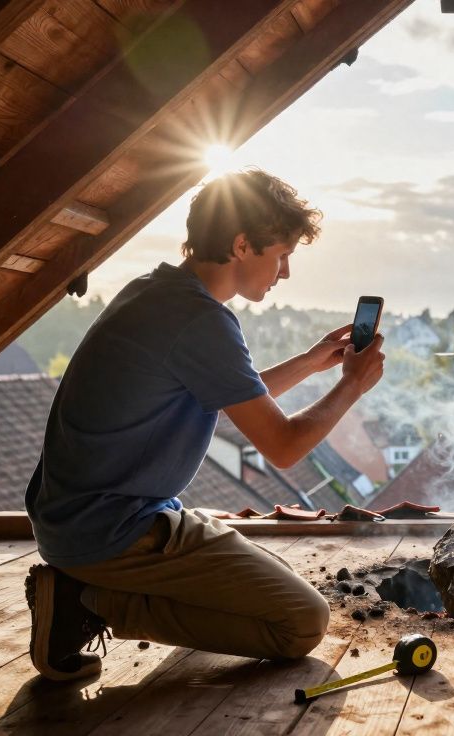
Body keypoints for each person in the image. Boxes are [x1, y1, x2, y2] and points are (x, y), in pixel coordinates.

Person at [23, 169, 384, 680]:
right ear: (241, 245)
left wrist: (309, 361)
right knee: (302, 621)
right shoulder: (201, 321)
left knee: (274, 584)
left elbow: (227, 392)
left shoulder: (157, 291)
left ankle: (93, 588)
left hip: (75, 519)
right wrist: (352, 385)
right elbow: (282, 447)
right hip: (113, 531)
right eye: (281, 255)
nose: (284, 273)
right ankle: (88, 602)